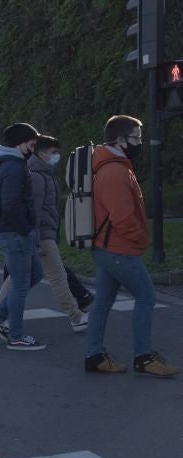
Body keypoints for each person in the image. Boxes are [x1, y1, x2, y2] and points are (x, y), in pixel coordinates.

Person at [84, 115, 178, 377]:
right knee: (146, 297)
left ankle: (94, 356)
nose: (140, 142)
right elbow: (122, 217)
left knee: (102, 302)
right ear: (120, 139)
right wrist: (140, 240)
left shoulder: (109, 165)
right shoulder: (114, 171)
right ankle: (144, 358)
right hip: (119, 249)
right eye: (136, 138)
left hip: (106, 247)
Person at [0, 135, 89, 332]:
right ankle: (76, 316)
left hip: (41, 233)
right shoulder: (37, 176)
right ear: (42, 153)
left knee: (16, 276)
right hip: (42, 235)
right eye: (54, 153)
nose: (57, 156)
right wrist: (36, 239)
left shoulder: (42, 173)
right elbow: (34, 211)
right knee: (58, 276)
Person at [0, 122, 46, 350]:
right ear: (21, 142)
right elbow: (10, 203)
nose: (34, 147)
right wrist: (26, 228)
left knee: (36, 273)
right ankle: (16, 337)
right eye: (32, 143)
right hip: (14, 232)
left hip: (13, 231)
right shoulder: (13, 167)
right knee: (20, 284)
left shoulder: (12, 163)